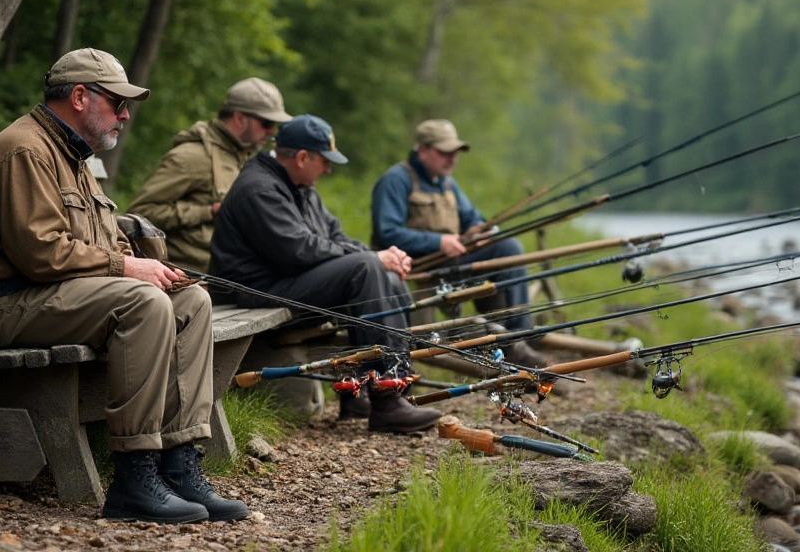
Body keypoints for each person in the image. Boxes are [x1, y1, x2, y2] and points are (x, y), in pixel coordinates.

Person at [0, 48, 247, 524]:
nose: (126, 115)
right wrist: (129, 272)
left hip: (52, 298)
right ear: (81, 97)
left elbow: (103, 245)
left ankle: (179, 464)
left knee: (190, 300)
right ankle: (134, 476)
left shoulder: (75, 158)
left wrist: (149, 266)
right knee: (144, 304)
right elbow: (40, 253)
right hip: (5, 307)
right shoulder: (26, 150)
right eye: (118, 103)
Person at [209, 115, 442, 433]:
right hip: (256, 290)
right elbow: (298, 251)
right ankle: (387, 403)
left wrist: (385, 258)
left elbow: (335, 237)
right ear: (303, 158)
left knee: (384, 274)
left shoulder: (299, 186)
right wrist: (372, 256)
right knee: (366, 268)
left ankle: (376, 390)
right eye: (325, 161)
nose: (329, 170)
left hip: (282, 281)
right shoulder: (259, 189)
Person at [371, 119, 532, 330]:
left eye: (455, 153)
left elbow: (472, 217)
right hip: (415, 264)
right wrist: (438, 242)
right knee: (510, 249)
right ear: (422, 151)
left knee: (508, 247)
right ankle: (512, 336)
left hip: (449, 261)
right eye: (445, 153)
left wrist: (479, 231)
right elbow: (388, 233)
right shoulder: (396, 180)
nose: (453, 160)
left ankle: (517, 332)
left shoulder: (446, 182)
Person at [128, 78, 291, 273]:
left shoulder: (243, 158)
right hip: (195, 277)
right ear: (240, 119)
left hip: (235, 272)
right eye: (266, 123)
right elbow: (141, 213)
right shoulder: (193, 157)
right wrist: (207, 212)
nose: (271, 131)